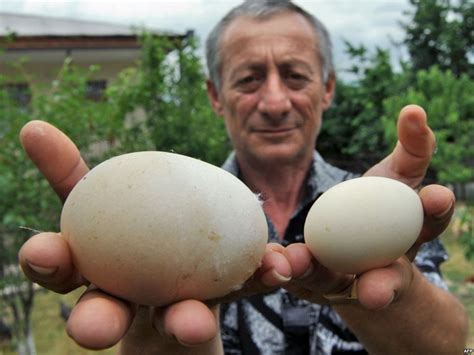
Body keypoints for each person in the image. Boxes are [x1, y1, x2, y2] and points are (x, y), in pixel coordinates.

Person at [19, 1, 468, 354]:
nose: (274, 102)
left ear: (327, 88)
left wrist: (391, 297)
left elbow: (457, 349)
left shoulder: (379, 202)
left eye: (295, 76)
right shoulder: (176, 214)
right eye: (249, 79)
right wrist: (149, 308)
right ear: (215, 96)